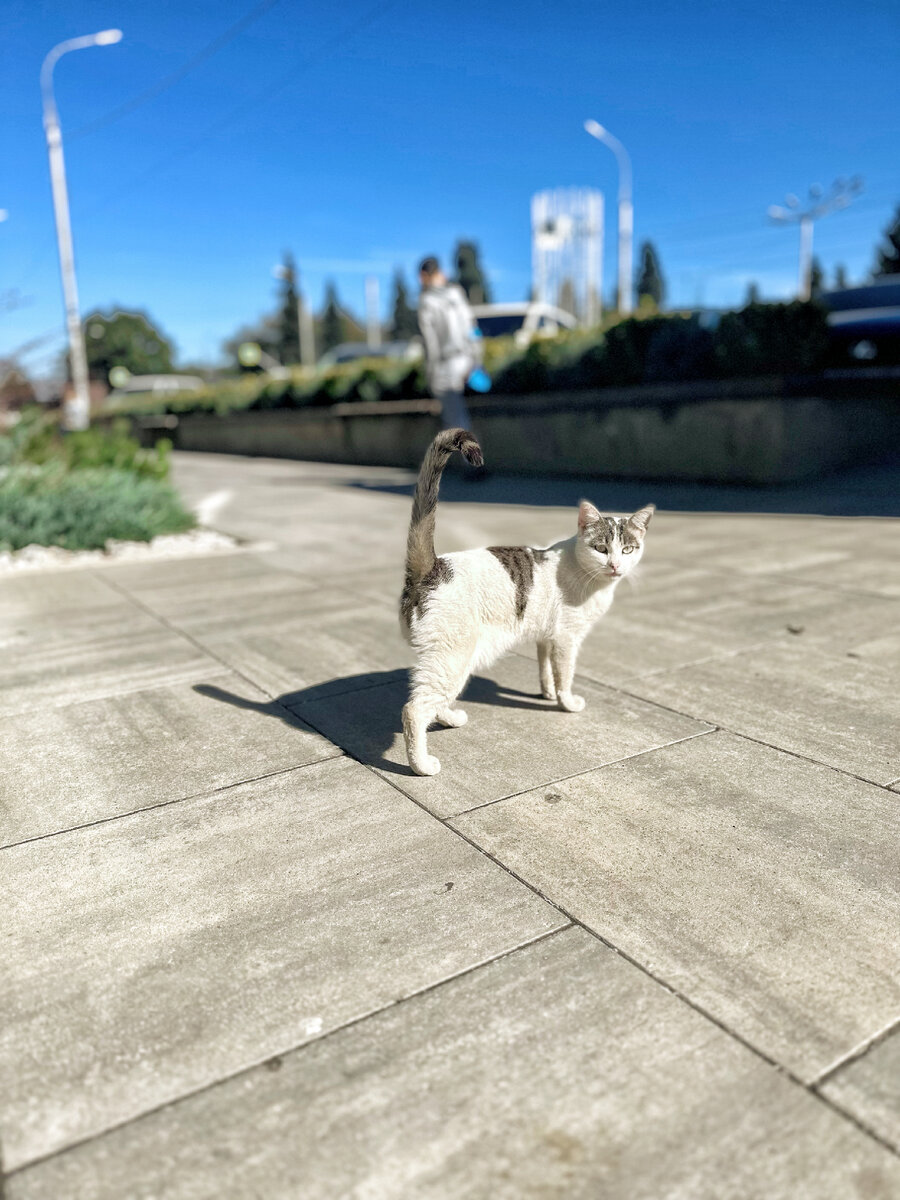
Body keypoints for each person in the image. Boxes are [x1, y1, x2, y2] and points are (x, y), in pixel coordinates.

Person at [417, 256, 480, 431]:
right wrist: (477, 357)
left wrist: (430, 375)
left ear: (424, 275)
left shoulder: (426, 302)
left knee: (456, 423)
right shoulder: (457, 294)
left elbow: (431, 344)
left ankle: (470, 457)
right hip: (468, 362)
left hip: (446, 367)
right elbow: (472, 328)